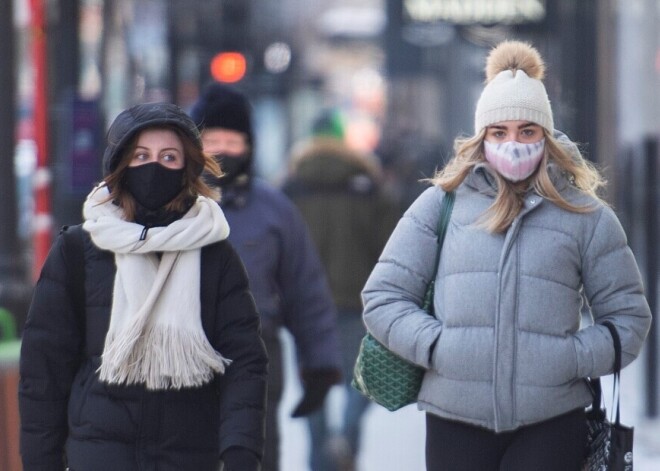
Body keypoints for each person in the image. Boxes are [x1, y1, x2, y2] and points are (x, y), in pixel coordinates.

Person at [361, 40, 652, 471]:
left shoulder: (585, 215)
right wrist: (439, 346)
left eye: (527, 131)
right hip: (455, 420)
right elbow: (383, 298)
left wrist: (569, 358)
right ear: (482, 138)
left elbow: (629, 319)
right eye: (499, 133)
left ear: (546, 137)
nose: (513, 144)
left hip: (551, 422)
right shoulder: (442, 205)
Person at [18, 102, 268, 471]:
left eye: (169, 157)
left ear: (187, 168)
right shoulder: (78, 251)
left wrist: (240, 452)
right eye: (141, 156)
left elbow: (244, 361)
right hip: (99, 455)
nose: (154, 167)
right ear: (120, 165)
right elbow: (44, 370)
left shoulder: (215, 255)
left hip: (188, 456)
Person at [190, 83, 342, 471]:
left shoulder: (275, 211)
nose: (222, 150)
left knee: (255, 459)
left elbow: (304, 289)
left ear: (250, 146)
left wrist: (319, 365)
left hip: (258, 358)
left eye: (233, 140)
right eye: (212, 139)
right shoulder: (172, 206)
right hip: (182, 354)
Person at [283, 109, 399, 471]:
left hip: (307, 305)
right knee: (358, 383)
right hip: (357, 301)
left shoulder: (292, 185)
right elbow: (391, 247)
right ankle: (345, 444)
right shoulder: (369, 184)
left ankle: (321, 458)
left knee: (314, 385)